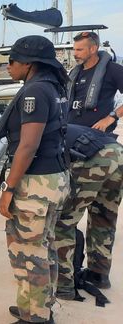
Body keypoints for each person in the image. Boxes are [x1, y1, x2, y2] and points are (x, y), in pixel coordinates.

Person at [0, 35, 71, 324]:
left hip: (36, 183)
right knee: (45, 246)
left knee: (28, 253)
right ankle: (36, 305)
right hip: (55, 177)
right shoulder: (54, 86)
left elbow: (28, 145)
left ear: (28, 63)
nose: (9, 67)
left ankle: (34, 317)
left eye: (11, 62)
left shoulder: (35, 92)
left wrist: (8, 189)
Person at [55, 124, 122, 298]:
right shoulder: (58, 125)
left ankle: (63, 285)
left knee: (63, 222)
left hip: (92, 159)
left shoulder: (37, 132)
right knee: (104, 217)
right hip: (118, 153)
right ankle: (99, 274)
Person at [67, 31, 123, 135]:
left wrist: (111, 118)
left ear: (93, 49)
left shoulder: (113, 70)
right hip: (71, 133)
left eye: (79, 50)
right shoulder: (74, 72)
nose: (75, 54)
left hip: (97, 138)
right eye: (74, 50)